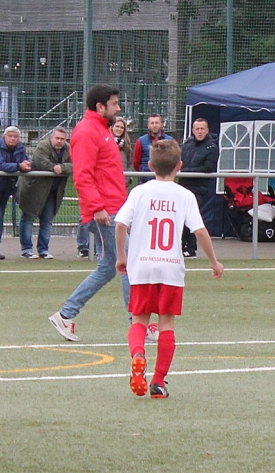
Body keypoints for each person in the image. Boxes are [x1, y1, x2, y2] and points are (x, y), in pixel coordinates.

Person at [116, 139, 224, 399]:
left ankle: (138, 354)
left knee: (140, 319)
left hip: (142, 266)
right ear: (180, 166)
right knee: (166, 322)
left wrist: (121, 257)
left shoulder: (139, 192)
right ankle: (158, 382)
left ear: (150, 165)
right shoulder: (185, 195)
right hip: (171, 268)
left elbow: (120, 224)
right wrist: (214, 261)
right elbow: (200, 231)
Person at [49, 84, 131, 342]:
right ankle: (139, 323)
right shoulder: (87, 131)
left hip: (112, 209)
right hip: (105, 211)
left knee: (108, 268)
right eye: (114, 104)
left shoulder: (101, 130)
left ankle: (66, 314)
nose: (118, 108)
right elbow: (83, 175)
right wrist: (97, 208)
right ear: (100, 106)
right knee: (128, 262)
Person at [16, 127, 72, 259]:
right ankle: (26, 249)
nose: (59, 141)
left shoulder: (69, 149)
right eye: (57, 138)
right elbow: (41, 162)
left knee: (47, 220)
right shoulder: (42, 146)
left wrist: (62, 167)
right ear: (51, 137)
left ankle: (43, 250)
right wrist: (54, 167)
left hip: (53, 191)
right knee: (28, 217)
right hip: (34, 189)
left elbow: (76, 165)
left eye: (62, 139)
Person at [0, 126, 32, 259]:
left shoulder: (20, 148)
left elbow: (25, 161)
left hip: (6, 189)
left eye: (15, 136)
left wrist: (26, 165)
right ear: (4, 136)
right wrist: (19, 166)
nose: (13, 139)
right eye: (10, 136)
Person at [179, 118, 220, 258]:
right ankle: (180, 246)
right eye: (197, 129)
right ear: (193, 130)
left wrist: (184, 171)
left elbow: (208, 167)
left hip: (199, 187)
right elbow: (181, 161)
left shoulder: (212, 147)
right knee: (181, 217)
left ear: (207, 130)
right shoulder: (188, 144)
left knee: (191, 217)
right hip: (183, 185)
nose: (200, 131)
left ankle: (190, 248)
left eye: (202, 129)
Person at [132, 113, 173, 183]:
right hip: (145, 181)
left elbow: (174, 160)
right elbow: (136, 162)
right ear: (148, 125)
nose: (154, 125)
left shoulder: (171, 141)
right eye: (152, 123)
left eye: (157, 123)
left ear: (162, 124)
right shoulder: (140, 141)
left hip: (165, 181)